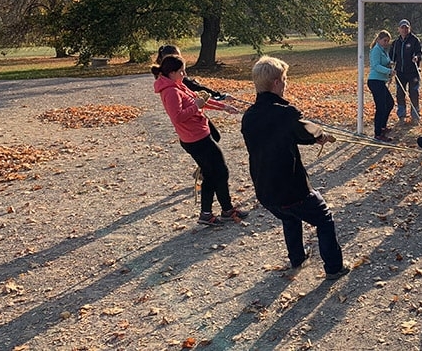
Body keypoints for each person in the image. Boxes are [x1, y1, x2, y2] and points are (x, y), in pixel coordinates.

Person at [241, 55, 350, 280]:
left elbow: (286, 134)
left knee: (289, 216)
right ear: (276, 83)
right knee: (324, 218)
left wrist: (313, 137)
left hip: (265, 191)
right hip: (291, 189)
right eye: (284, 79)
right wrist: (321, 135)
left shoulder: (249, 116)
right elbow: (305, 130)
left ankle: (297, 257)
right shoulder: (286, 113)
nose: (286, 83)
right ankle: (334, 267)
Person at [151, 55, 247, 226]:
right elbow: (178, 117)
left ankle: (215, 212)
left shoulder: (178, 85)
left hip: (201, 135)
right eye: (181, 71)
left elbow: (201, 101)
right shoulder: (171, 91)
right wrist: (196, 105)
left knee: (212, 174)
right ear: (172, 72)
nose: (184, 74)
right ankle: (222, 210)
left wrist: (223, 107)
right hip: (196, 140)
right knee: (220, 172)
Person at [156, 45, 226, 100]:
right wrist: (217, 95)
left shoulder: (165, 75)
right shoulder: (173, 76)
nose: (180, 57)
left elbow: (190, 84)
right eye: (178, 55)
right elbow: (193, 87)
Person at [389, 19, 422, 124]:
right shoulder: (396, 43)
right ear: (399, 29)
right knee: (400, 93)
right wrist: (391, 63)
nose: (404, 30)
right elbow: (392, 56)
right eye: (402, 27)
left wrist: (417, 57)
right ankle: (401, 116)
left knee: (414, 93)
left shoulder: (415, 40)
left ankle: (415, 115)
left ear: (409, 28)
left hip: (413, 72)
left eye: (406, 28)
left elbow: (420, 53)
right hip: (400, 72)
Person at [368, 30, 395, 141]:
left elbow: (386, 62)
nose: (386, 43)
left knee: (389, 103)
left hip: (381, 81)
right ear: (379, 40)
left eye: (387, 41)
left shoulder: (383, 50)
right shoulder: (376, 50)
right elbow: (376, 66)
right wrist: (388, 71)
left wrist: (390, 66)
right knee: (381, 107)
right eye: (384, 40)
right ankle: (378, 133)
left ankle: (383, 126)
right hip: (375, 81)